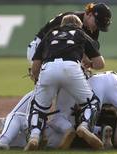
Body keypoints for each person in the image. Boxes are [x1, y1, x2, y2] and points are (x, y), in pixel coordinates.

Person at [25, 14, 105, 151]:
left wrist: (38, 79)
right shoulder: (81, 34)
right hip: (71, 68)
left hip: (48, 68)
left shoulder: (50, 34)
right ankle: (84, 127)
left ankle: (34, 136)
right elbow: (100, 64)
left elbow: (35, 66)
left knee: (38, 108)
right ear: (79, 26)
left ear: (61, 25)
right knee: (91, 104)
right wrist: (88, 62)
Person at [27, 2, 112, 64]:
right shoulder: (71, 19)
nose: (97, 27)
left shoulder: (93, 28)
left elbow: (91, 49)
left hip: (57, 53)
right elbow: (55, 43)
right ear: (89, 14)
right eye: (97, 23)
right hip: (40, 48)